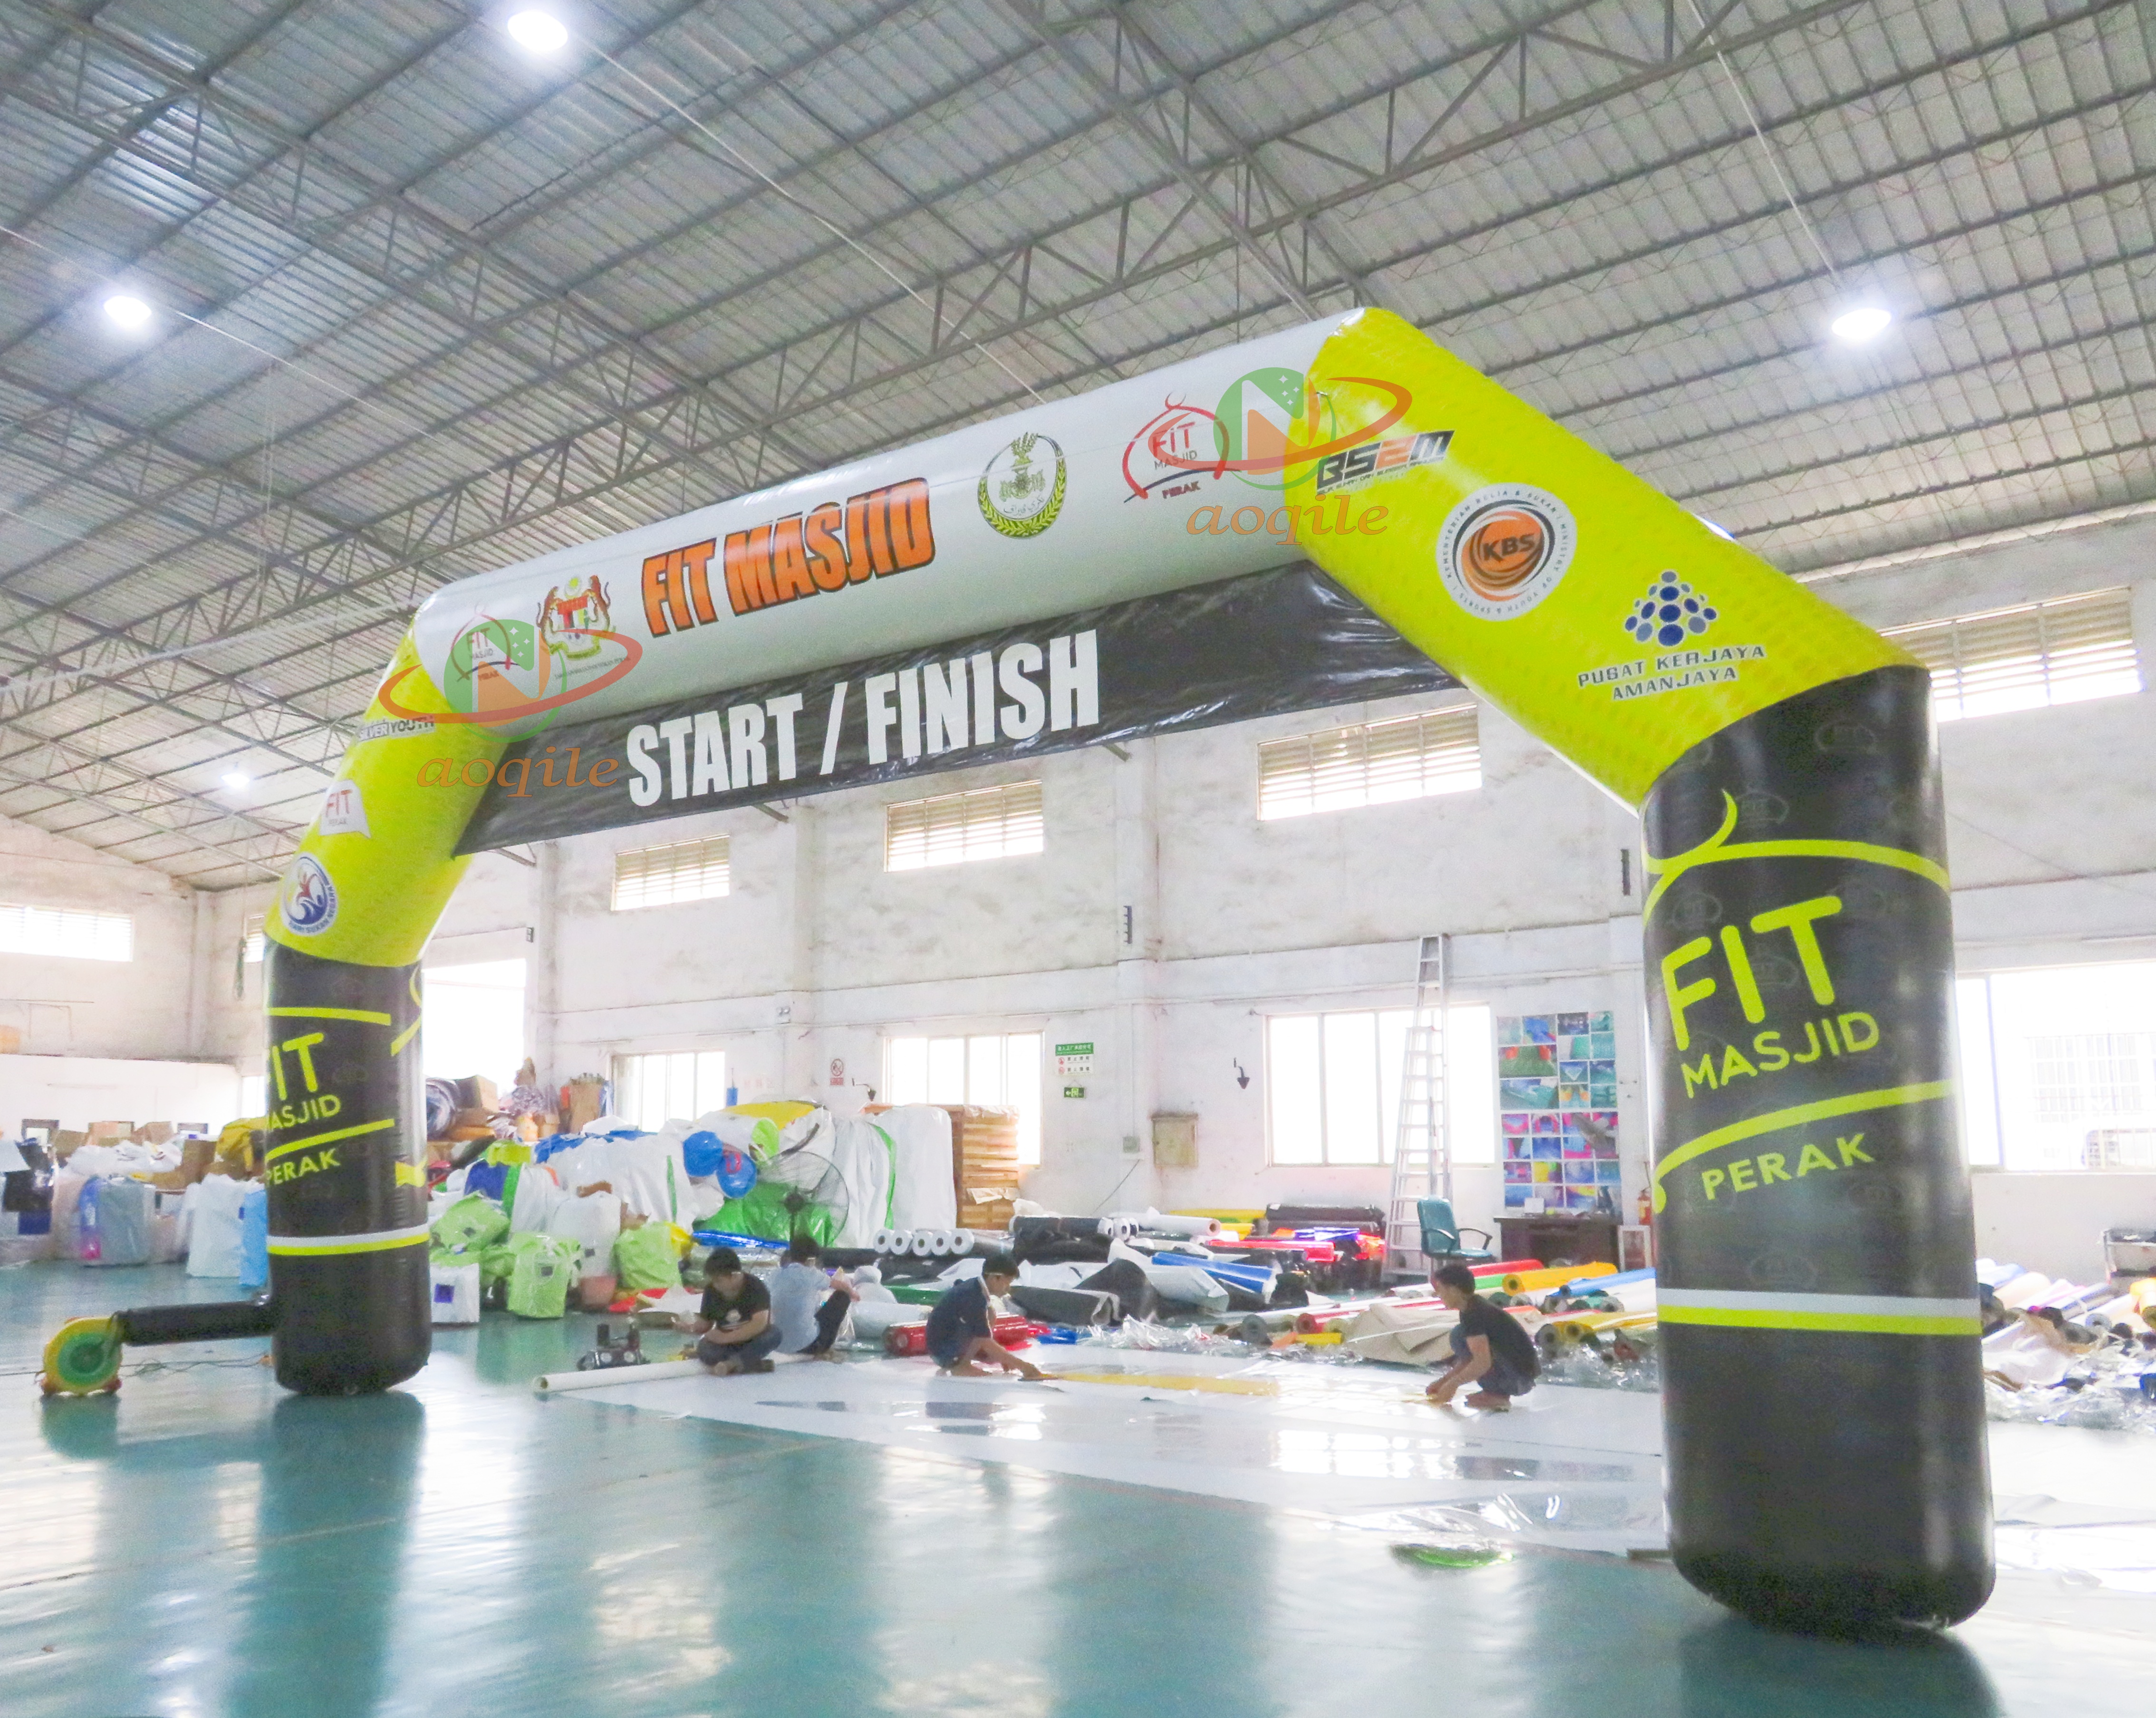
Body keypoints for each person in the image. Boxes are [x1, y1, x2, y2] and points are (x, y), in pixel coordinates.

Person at [1425, 1261, 1539, 1410]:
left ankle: (1498, 1395)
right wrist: (1444, 1382)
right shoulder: (1471, 1309)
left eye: (1440, 1289)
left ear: (1454, 1289)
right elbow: (1469, 1358)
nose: (1438, 1295)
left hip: (1519, 1378)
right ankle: (1494, 1391)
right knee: (1460, 1335)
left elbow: (1482, 1362)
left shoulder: (1475, 1313)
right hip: (1520, 1375)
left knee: (1459, 1336)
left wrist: (1453, 1385)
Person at [924, 1251, 1044, 1379]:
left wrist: (1001, 1356)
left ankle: (964, 1361)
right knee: (982, 1331)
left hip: (944, 1345)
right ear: (995, 1278)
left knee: (991, 1313)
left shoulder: (975, 1288)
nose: (1008, 1288)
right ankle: (961, 1366)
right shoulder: (973, 1297)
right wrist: (1023, 1366)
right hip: (942, 1352)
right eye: (1007, 1282)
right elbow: (983, 1339)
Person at [677, 1248, 780, 1375]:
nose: (715, 1285)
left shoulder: (756, 1287)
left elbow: (759, 1325)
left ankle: (732, 1364)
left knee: (774, 1335)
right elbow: (705, 1325)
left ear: (734, 1276)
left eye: (719, 1281)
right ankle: (749, 1364)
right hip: (728, 1346)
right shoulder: (711, 1291)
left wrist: (725, 1338)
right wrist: (691, 1328)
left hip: (751, 1340)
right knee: (705, 1349)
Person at [770, 1235, 859, 1362]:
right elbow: (841, 1286)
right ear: (812, 1259)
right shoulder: (811, 1274)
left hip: (777, 1344)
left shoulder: (776, 1274)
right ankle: (823, 1347)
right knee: (842, 1296)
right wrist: (854, 1294)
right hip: (807, 1345)